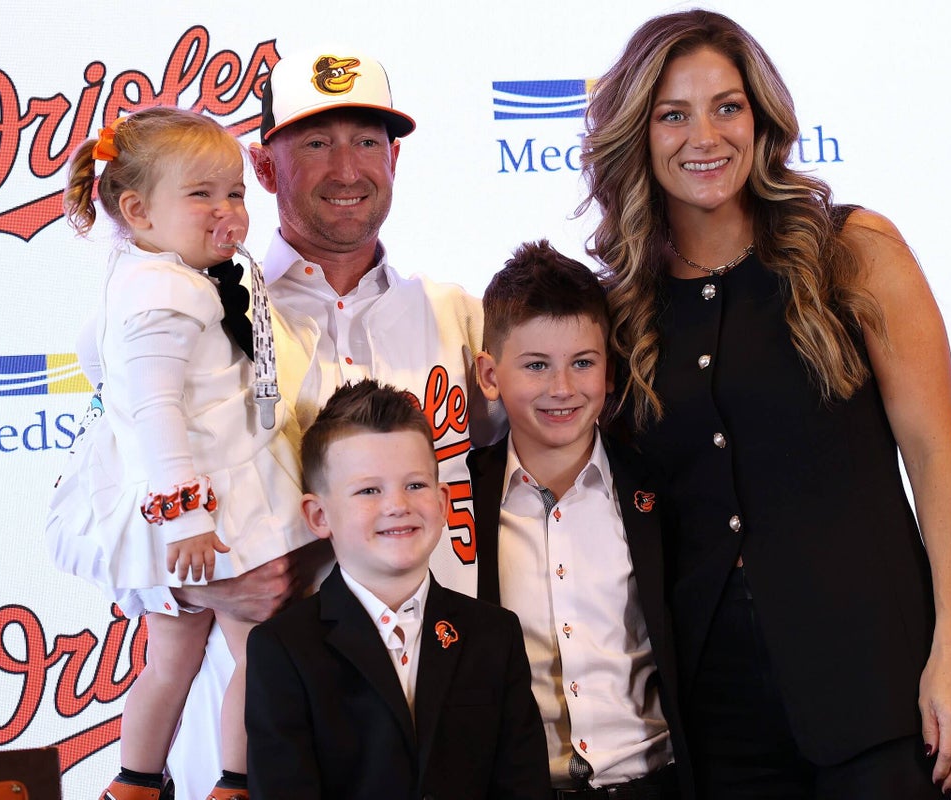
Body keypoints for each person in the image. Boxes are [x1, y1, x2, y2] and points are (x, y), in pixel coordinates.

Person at [579, 11, 951, 799]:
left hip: (881, 690)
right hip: (717, 722)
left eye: (726, 106)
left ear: (762, 118)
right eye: (673, 114)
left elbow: (938, 459)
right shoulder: (619, 312)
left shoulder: (853, 251)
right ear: (639, 132)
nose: (704, 135)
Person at [160, 47, 502, 799]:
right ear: (264, 165)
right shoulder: (195, 311)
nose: (348, 169)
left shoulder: (457, 314)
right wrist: (194, 589)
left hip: (439, 731)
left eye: (367, 141)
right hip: (258, 746)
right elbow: (76, 519)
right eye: (316, 143)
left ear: (395, 158)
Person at [54, 107, 313, 800]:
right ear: (137, 210)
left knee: (171, 657)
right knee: (255, 652)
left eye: (235, 192)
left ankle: (137, 780)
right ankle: (235, 781)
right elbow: (156, 412)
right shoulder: (162, 294)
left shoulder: (160, 273)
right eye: (201, 194)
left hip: (205, 486)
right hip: (207, 499)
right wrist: (184, 516)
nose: (227, 210)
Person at [246, 379, 548, 799]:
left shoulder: (494, 635)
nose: (397, 505)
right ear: (318, 516)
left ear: (444, 502)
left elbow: (523, 787)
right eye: (369, 490)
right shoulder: (282, 649)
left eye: (415, 485)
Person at [468, 241, 694, 799]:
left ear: (610, 372)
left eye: (583, 363)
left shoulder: (654, 488)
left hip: (654, 782)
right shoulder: (462, 498)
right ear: (490, 375)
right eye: (537, 366)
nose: (562, 389)